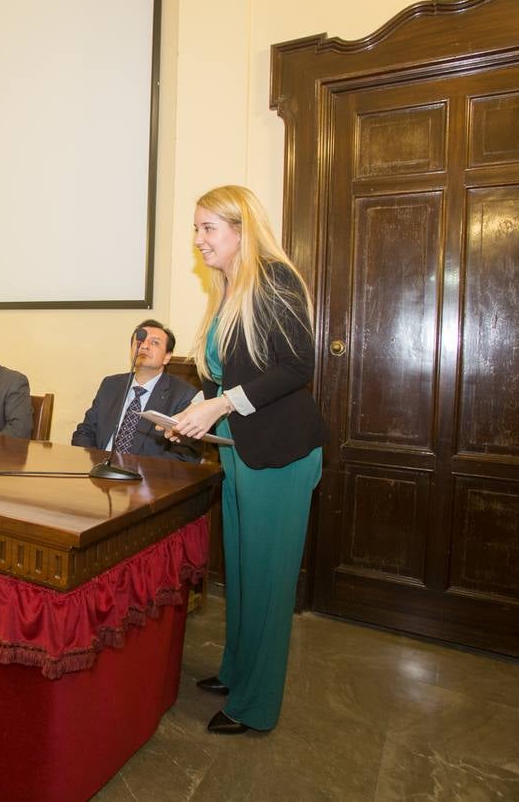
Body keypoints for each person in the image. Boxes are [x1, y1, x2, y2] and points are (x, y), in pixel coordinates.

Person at [165, 185, 328, 735]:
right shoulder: (228, 288)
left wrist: (219, 403)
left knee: (267, 582)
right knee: (240, 574)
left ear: (241, 231)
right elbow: (224, 373)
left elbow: (295, 365)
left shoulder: (274, 280)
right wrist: (196, 405)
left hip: (279, 455)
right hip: (239, 452)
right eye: (196, 228)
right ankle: (237, 670)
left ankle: (256, 706)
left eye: (208, 228)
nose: (198, 239)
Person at [71, 319, 201, 463]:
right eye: (139, 342)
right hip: (99, 471)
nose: (144, 346)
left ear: (167, 356)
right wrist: (97, 464)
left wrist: (135, 470)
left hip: (146, 479)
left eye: (154, 343)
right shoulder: (111, 385)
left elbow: (185, 454)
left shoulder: (184, 395)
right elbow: (84, 432)